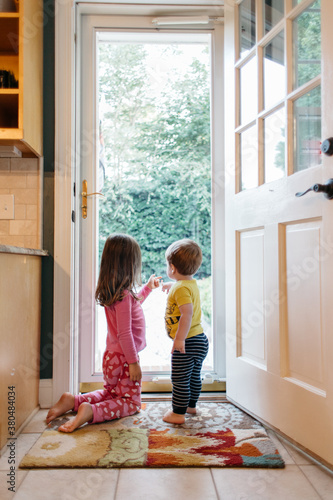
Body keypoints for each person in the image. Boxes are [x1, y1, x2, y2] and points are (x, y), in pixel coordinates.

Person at [46, 233, 161, 432]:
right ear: (129, 265)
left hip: (112, 357)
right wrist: (133, 364)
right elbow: (125, 333)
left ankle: (73, 401)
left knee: (111, 393)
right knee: (130, 403)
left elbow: (136, 302)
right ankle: (91, 412)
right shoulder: (124, 296)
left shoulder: (116, 293)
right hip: (126, 359)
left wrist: (148, 289)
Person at [162, 239, 209, 424]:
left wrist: (179, 340)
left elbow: (186, 315)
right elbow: (182, 287)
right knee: (193, 376)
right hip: (199, 341)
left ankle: (178, 414)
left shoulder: (180, 288)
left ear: (172, 268)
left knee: (180, 379)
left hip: (187, 342)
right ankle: (191, 406)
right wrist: (170, 285)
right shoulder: (189, 284)